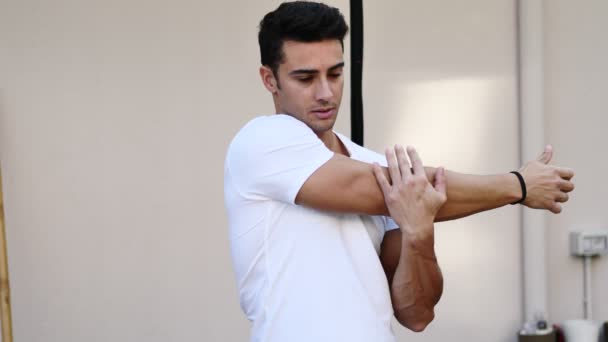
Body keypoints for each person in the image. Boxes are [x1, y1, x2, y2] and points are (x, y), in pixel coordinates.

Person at [223, 2, 575, 341]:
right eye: (305, 78)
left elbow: (416, 315)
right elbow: (397, 190)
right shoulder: (262, 141)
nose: (326, 92)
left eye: (335, 73)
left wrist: (420, 232)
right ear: (269, 79)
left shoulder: (369, 163)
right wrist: (517, 186)